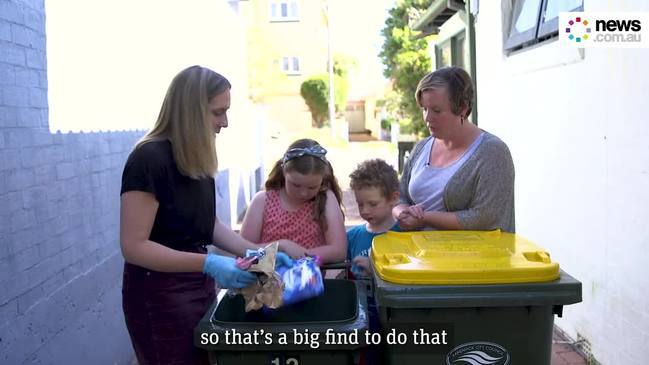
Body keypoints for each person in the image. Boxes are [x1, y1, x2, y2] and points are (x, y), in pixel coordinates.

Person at [119, 65, 291, 365]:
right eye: (217, 112)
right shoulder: (148, 159)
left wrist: (259, 254)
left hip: (197, 282)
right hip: (159, 293)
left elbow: (206, 224)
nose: (225, 121)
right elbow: (134, 246)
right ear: (190, 111)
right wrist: (209, 263)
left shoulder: (196, 156)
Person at [394, 66, 515, 233]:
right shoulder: (422, 147)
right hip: (420, 257)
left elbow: (485, 217)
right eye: (424, 109)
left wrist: (424, 218)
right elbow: (399, 196)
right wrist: (401, 212)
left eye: (437, 110)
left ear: (463, 108)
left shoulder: (492, 152)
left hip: (470, 257)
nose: (428, 118)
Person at [240, 138, 347, 264]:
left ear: (323, 180)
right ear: (284, 172)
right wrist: (281, 248)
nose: (303, 193)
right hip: (262, 281)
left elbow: (339, 251)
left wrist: (300, 258)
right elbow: (242, 250)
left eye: (312, 187)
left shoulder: (325, 199)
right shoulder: (262, 201)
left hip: (307, 281)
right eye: (295, 185)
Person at [346, 158, 401, 279]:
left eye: (373, 204)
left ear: (393, 198)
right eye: (360, 204)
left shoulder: (405, 236)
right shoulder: (351, 237)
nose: (364, 211)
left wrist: (375, 269)